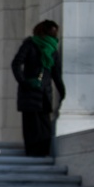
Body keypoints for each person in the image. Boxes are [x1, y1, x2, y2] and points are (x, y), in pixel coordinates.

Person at [12, 19, 66, 156]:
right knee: (40, 124)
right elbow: (57, 76)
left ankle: (35, 152)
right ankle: (39, 153)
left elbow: (56, 75)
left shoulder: (38, 46)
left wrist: (24, 82)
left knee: (34, 124)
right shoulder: (36, 45)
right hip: (40, 92)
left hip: (37, 92)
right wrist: (63, 93)